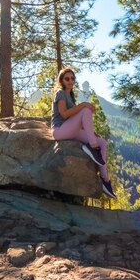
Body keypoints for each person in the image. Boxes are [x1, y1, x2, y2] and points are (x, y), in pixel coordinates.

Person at [51, 66, 116, 199]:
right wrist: (83, 105)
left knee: (102, 142)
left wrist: (92, 133)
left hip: (70, 131)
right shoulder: (60, 93)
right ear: (61, 81)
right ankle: (92, 146)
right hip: (59, 131)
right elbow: (63, 115)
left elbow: (75, 121)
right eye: (67, 78)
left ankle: (105, 180)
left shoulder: (70, 96)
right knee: (85, 110)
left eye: (72, 78)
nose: (70, 81)